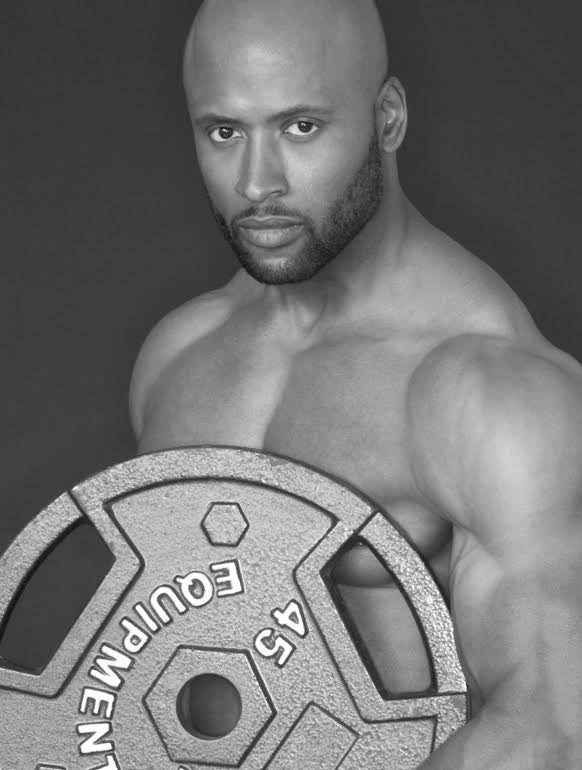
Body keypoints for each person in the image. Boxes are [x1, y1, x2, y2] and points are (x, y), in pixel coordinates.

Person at [129, 0, 582, 766]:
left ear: (388, 118)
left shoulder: (489, 392)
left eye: (301, 127)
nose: (257, 182)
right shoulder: (180, 354)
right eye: (225, 132)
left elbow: (553, 731)